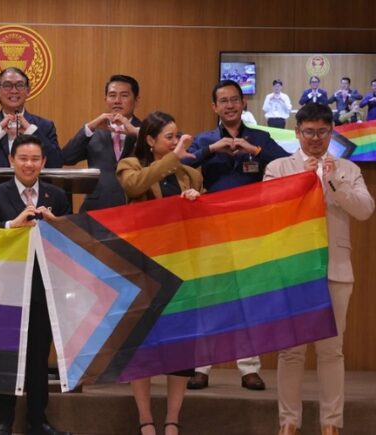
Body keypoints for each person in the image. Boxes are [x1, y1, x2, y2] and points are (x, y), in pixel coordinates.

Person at [264, 103, 374, 435]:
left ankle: (331, 424)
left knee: (331, 351)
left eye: (322, 132)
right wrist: (301, 180)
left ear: (331, 133)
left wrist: (334, 183)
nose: (315, 139)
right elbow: (269, 212)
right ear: (297, 133)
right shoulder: (278, 167)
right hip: (294, 270)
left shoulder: (347, 169)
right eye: (309, 132)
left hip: (336, 270)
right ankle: (289, 422)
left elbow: (365, 210)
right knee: (291, 351)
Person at [185, 79, 289, 390]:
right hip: (211, 228)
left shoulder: (261, 137)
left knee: (248, 297)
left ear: (243, 104)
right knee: (209, 296)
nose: (230, 105)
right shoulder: (203, 139)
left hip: (251, 229)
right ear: (214, 107)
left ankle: (248, 368)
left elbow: (288, 165)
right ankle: (201, 367)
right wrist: (210, 150)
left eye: (235, 100)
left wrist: (254, 149)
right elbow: (178, 165)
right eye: (223, 101)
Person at [0, 134, 71, 435]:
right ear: (11, 161)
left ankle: (37, 420)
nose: (29, 164)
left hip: (45, 287)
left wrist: (59, 224)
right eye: (23, 158)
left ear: (43, 162)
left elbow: (75, 241)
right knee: (6, 354)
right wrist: (10, 225)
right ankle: (4, 421)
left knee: (40, 357)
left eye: (35, 159)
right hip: (7, 288)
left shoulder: (56, 195)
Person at [116, 112, 201, 435]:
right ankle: (146, 419)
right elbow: (135, 185)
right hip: (144, 268)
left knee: (181, 345)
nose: (176, 142)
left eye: (178, 136)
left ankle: (172, 419)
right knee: (143, 343)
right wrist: (172, 159)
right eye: (169, 137)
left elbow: (201, 221)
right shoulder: (130, 165)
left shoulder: (190, 174)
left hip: (182, 267)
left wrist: (195, 201)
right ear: (150, 141)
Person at [62, 74, 141, 211]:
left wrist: (135, 132)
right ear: (105, 100)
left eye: (124, 95)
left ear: (136, 100)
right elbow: (67, 157)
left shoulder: (146, 131)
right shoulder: (94, 131)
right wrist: (90, 127)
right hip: (97, 208)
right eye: (112, 95)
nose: (117, 101)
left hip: (134, 206)